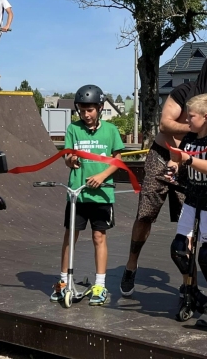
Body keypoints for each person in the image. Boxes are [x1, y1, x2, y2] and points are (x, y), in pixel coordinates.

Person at [121, 52, 207, 296]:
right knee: (145, 214)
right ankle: (131, 265)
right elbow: (165, 124)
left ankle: (190, 284)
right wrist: (198, 128)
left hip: (194, 163)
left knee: (192, 227)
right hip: (164, 155)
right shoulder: (186, 91)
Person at [51, 85, 124, 306]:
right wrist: (71, 160)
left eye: (90, 110)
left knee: (98, 237)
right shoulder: (73, 129)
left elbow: (118, 160)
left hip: (102, 195)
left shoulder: (111, 130)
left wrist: (102, 176)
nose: (86, 114)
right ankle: (64, 281)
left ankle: (100, 285)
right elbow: (67, 155)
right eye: (82, 110)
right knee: (70, 237)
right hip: (77, 195)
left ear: (100, 108)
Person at [166, 93, 207, 327]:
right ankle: (190, 292)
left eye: (190, 116)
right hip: (192, 200)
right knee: (180, 249)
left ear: (206, 116)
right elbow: (178, 158)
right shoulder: (190, 137)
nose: (187, 120)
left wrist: (187, 160)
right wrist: (173, 166)